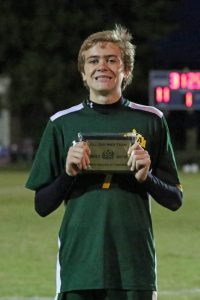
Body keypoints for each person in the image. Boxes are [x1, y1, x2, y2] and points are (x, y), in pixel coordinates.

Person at [26, 24, 183, 300]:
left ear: (127, 70)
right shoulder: (61, 123)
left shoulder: (152, 120)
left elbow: (174, 200)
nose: (102, 66)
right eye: (93, 60)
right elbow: (42, 205)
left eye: (112, 59)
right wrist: (69, 173)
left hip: (134, 265)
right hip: (79, 264)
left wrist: (147, 177)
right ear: (84, 74)